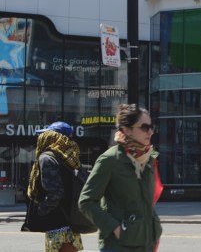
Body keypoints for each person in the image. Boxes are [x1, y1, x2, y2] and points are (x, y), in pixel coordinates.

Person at [79, 104, 163, 252]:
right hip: (117, 247)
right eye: (144, 127)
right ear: (127, 130)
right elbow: (86, 201)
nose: (150, 131)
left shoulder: (149, 159)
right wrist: (115, 228)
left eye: (151, 127)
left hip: (146, 245)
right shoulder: (109, 160)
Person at [23, 121, 83, 252]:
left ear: (53, 137)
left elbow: (55, 193)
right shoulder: (70, 158)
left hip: (57, 225)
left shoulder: (48, 158)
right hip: (71, 223)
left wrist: (41, 210)